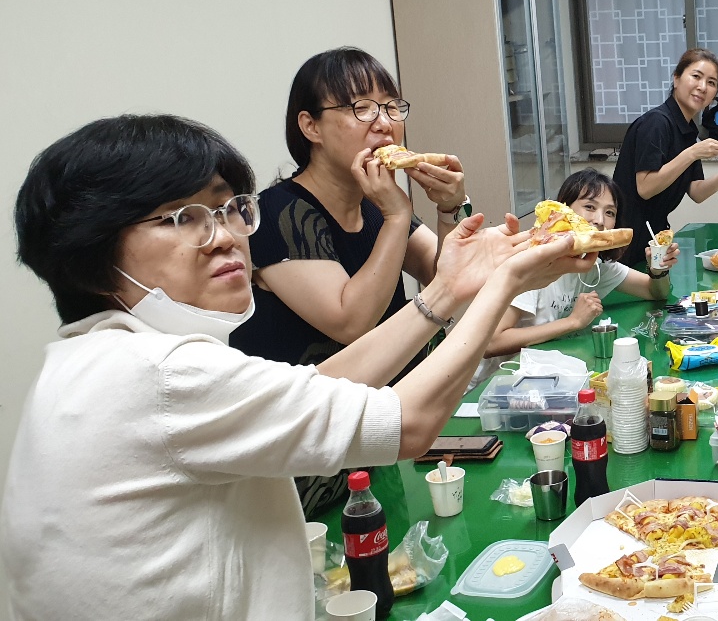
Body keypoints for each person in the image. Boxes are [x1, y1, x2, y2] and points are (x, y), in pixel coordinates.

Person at [4, 114, 590, 621]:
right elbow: (407, 424)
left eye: (229, 210)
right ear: (89, 252)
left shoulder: (91, 360)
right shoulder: (159, 374)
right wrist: (503, 283)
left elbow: (321, 386)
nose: (226, 237)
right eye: (182, 218)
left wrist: (448, 290)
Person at [230, 47, 468, 514]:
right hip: (302, 469)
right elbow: (351, 320)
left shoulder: (375, 204)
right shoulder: (276, 214)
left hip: (372, 445)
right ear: (310, 126)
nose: (384, 123)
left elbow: (446, 275)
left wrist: (447, 208)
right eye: (361, 108)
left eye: (391, 107)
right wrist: (397, 216)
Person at [486, 169, 679, 358]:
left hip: (554, 364)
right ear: (563, 210)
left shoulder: (594, 264)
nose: (600, 221)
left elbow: (655, 292)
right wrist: (573, 322)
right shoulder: (533, 261)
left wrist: (657, 269)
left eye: (609, 212)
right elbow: (492, 343)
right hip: (507, 373)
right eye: (590, 207)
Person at [613, 48, 718, 267]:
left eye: (711, 82)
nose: (702, 87)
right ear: (676, 78)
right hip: (627, 241)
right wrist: (692, 153)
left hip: (654, 238)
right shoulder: (656, 123)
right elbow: (645, 187)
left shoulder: (687, 130)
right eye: (696, 76)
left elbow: (697, 192)